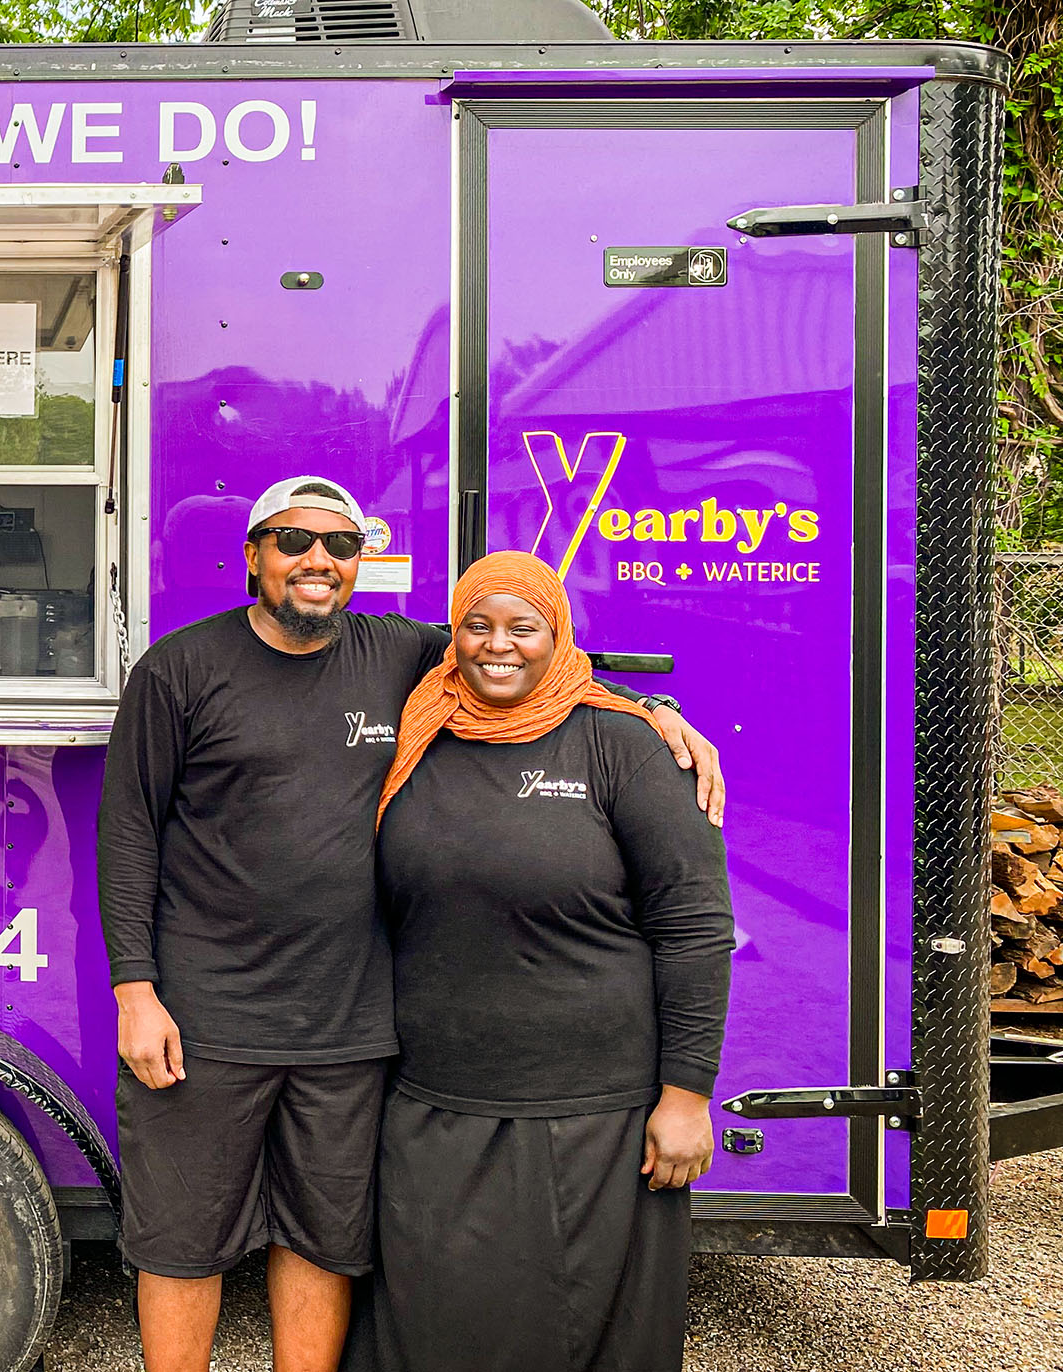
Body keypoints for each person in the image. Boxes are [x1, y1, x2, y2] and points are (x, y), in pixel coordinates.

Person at [98, 479, 725, 1372]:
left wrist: (652, 715)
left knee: (322, 1239)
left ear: (362, 563)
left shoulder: (401, 655)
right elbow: (127, 833)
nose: (318, 560)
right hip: (206, 1019)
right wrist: (136, 989)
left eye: (341, 545)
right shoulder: (180, 669)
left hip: (354, 1026)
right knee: (181, 1238)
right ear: (252, 556)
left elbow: (526, 648)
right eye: (292, 540)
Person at [344, 551, 733, 1372]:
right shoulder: (420, 727)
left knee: (592, 1334)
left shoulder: (621, 747)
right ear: (452, 635)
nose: (498, 646)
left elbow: (695, 927)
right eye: (477, 625)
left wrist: (688, 1096)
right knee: (435, 1324)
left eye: (525, 627)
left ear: (559, 635)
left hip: (597, 1115)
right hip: (435, 1099)